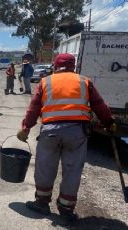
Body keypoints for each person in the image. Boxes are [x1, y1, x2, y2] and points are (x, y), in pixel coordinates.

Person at [16, 53, 116, 222]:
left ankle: (41, 202)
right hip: (77, 133)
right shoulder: (84, 81)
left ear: (55, 66)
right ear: (73, 66)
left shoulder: (45, 82)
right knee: (72, 170)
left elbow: (33, 108)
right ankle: (66, 208)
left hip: (50, 131)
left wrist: (26, 127)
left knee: (45, 167)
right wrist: (109, 123)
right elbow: (100, 105)